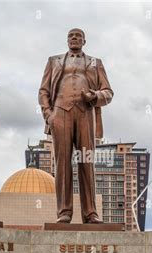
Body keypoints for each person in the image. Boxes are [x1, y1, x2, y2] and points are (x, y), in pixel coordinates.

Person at [39, 28, 113, 223]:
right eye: (71, 36)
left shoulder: (95, 63)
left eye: (78, 36)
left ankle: (90, 213)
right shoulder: (53, 61)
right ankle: (64, 212)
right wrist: (49, 115)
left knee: (86, 162)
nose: (74, 38)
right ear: (67, 41)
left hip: (85, 113)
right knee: (62, 163)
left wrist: (96, 96)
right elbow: (43, 91)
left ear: (84, 41)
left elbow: (108, 92)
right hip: (60, 113)